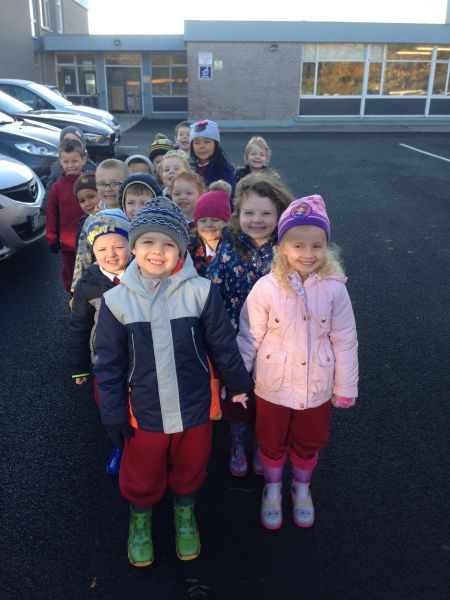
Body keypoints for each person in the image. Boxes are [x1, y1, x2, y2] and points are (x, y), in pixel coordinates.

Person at [93, 197, 252, 567]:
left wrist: (239, 384)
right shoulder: (117, 301)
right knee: (142, 471)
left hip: (194, 406)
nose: (157, 251)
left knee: (190, 464)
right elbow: (109, 364)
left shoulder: (200, 291)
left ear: (181, 249)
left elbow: (222, 343)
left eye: (168, 243)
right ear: (134, 247)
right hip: (144, 410)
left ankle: (184, 513)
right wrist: (113, 412)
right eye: (148, 241)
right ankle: (140, 518)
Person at [236, 195, 358, 530]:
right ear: (282, 248)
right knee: (271, 440)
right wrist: (237, 380)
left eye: (317, 246)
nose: (308, 254)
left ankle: (301, 487)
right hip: (272, 387)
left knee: (309, 441)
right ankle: (273, 487)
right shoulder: (266, 288)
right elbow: (249, 336)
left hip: (316, 388)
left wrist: (345, 387)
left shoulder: (335, 290)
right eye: (298, 245)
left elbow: (345, 340)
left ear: (327, 247)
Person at [206, 172, 294, 477]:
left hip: (276, 340)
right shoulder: (228, 246)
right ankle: (237, 440)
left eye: (266, 214)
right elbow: (213, 289)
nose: (257, 220)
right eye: (249, 213)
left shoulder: (286, 249)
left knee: (268, 396)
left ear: (279, 215)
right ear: (237, 214)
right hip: (236, 338)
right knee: (238, 393)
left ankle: (260, 441)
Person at [68, 210, 131, 476]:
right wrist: (79, 366)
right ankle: (118, 444)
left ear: (132, 245)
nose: (111, 254)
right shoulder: (88, 283)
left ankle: (138, 442)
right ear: (93, 250)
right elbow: (79, 326)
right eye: (102, 248)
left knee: (137, 403)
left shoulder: (143, 274)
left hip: (138, 355)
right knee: (108, 404)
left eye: (119, 246)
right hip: (103, 359)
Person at [70, 159, 129, 292]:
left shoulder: (133, 214)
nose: (108, 189)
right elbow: (82, 258)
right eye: (102, 184)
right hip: (101, 286)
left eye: (115, 183)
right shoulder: (91, 220)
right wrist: (76, 291)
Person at [45, 139, 88, 292]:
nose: (71, 165)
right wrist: (51, 237)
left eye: (75, 161)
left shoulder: (89, 181)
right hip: (68, 242)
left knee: (90, 269)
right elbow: (51, 214)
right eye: (66, 161)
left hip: (89, 238)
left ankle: (89, 295)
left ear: (83, 160)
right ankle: (73, 295)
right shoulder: (57, 187)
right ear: (60, 162)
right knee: (70, 270)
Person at [42, 126, 96, 213]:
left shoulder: (91, 168)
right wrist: (44, 211)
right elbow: (49, 192)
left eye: (75, 141)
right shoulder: (56, 168)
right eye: (67, 141)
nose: (71, 144)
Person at [188, 186, 231, 277]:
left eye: (215, 220)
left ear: (226, 222)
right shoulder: (190, 248)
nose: (208, 225)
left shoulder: (234, 249)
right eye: (203, 221)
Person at [189, 119, 236, 198]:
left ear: (215, 144)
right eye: (197, 143)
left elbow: (230, 198)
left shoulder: (224, 170)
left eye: (207, 142)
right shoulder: (187, 168)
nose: (202, 146)